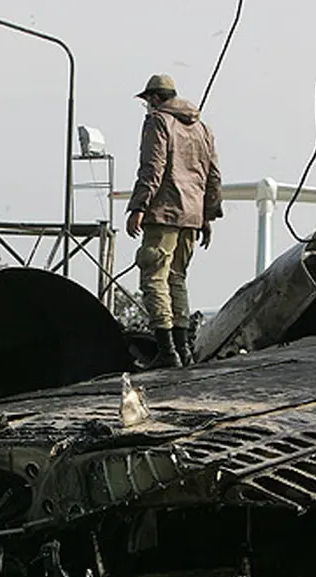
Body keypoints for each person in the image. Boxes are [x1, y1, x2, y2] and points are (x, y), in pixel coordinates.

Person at [125, 74, 222, 369]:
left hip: (164, 213)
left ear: (154, 98)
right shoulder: (202, 128)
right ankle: (184, 350)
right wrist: (207, 214)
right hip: (192, 217)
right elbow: (213, 175)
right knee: (177, 279)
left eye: (147, 102)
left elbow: (152, 167)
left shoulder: (158, 122)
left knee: (154, 278)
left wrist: (138, 206)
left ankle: (167, 351)